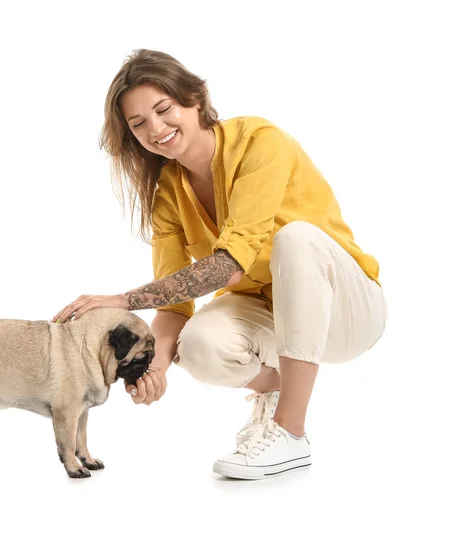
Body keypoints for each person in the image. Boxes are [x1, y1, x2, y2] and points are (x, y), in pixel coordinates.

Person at [52, 49, 387, 480]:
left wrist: (121, 300)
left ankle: (290, 431)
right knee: (198, 345)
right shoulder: (168, 193)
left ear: (194, 99)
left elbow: (225, 266)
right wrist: (154, 366)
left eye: (163, 109)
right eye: (138, 124)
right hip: (274, 317)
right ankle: (279, 390)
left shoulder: (260, 141)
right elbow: (174, 306)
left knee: (296, 239)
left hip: (348, 312)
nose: (156, 129)